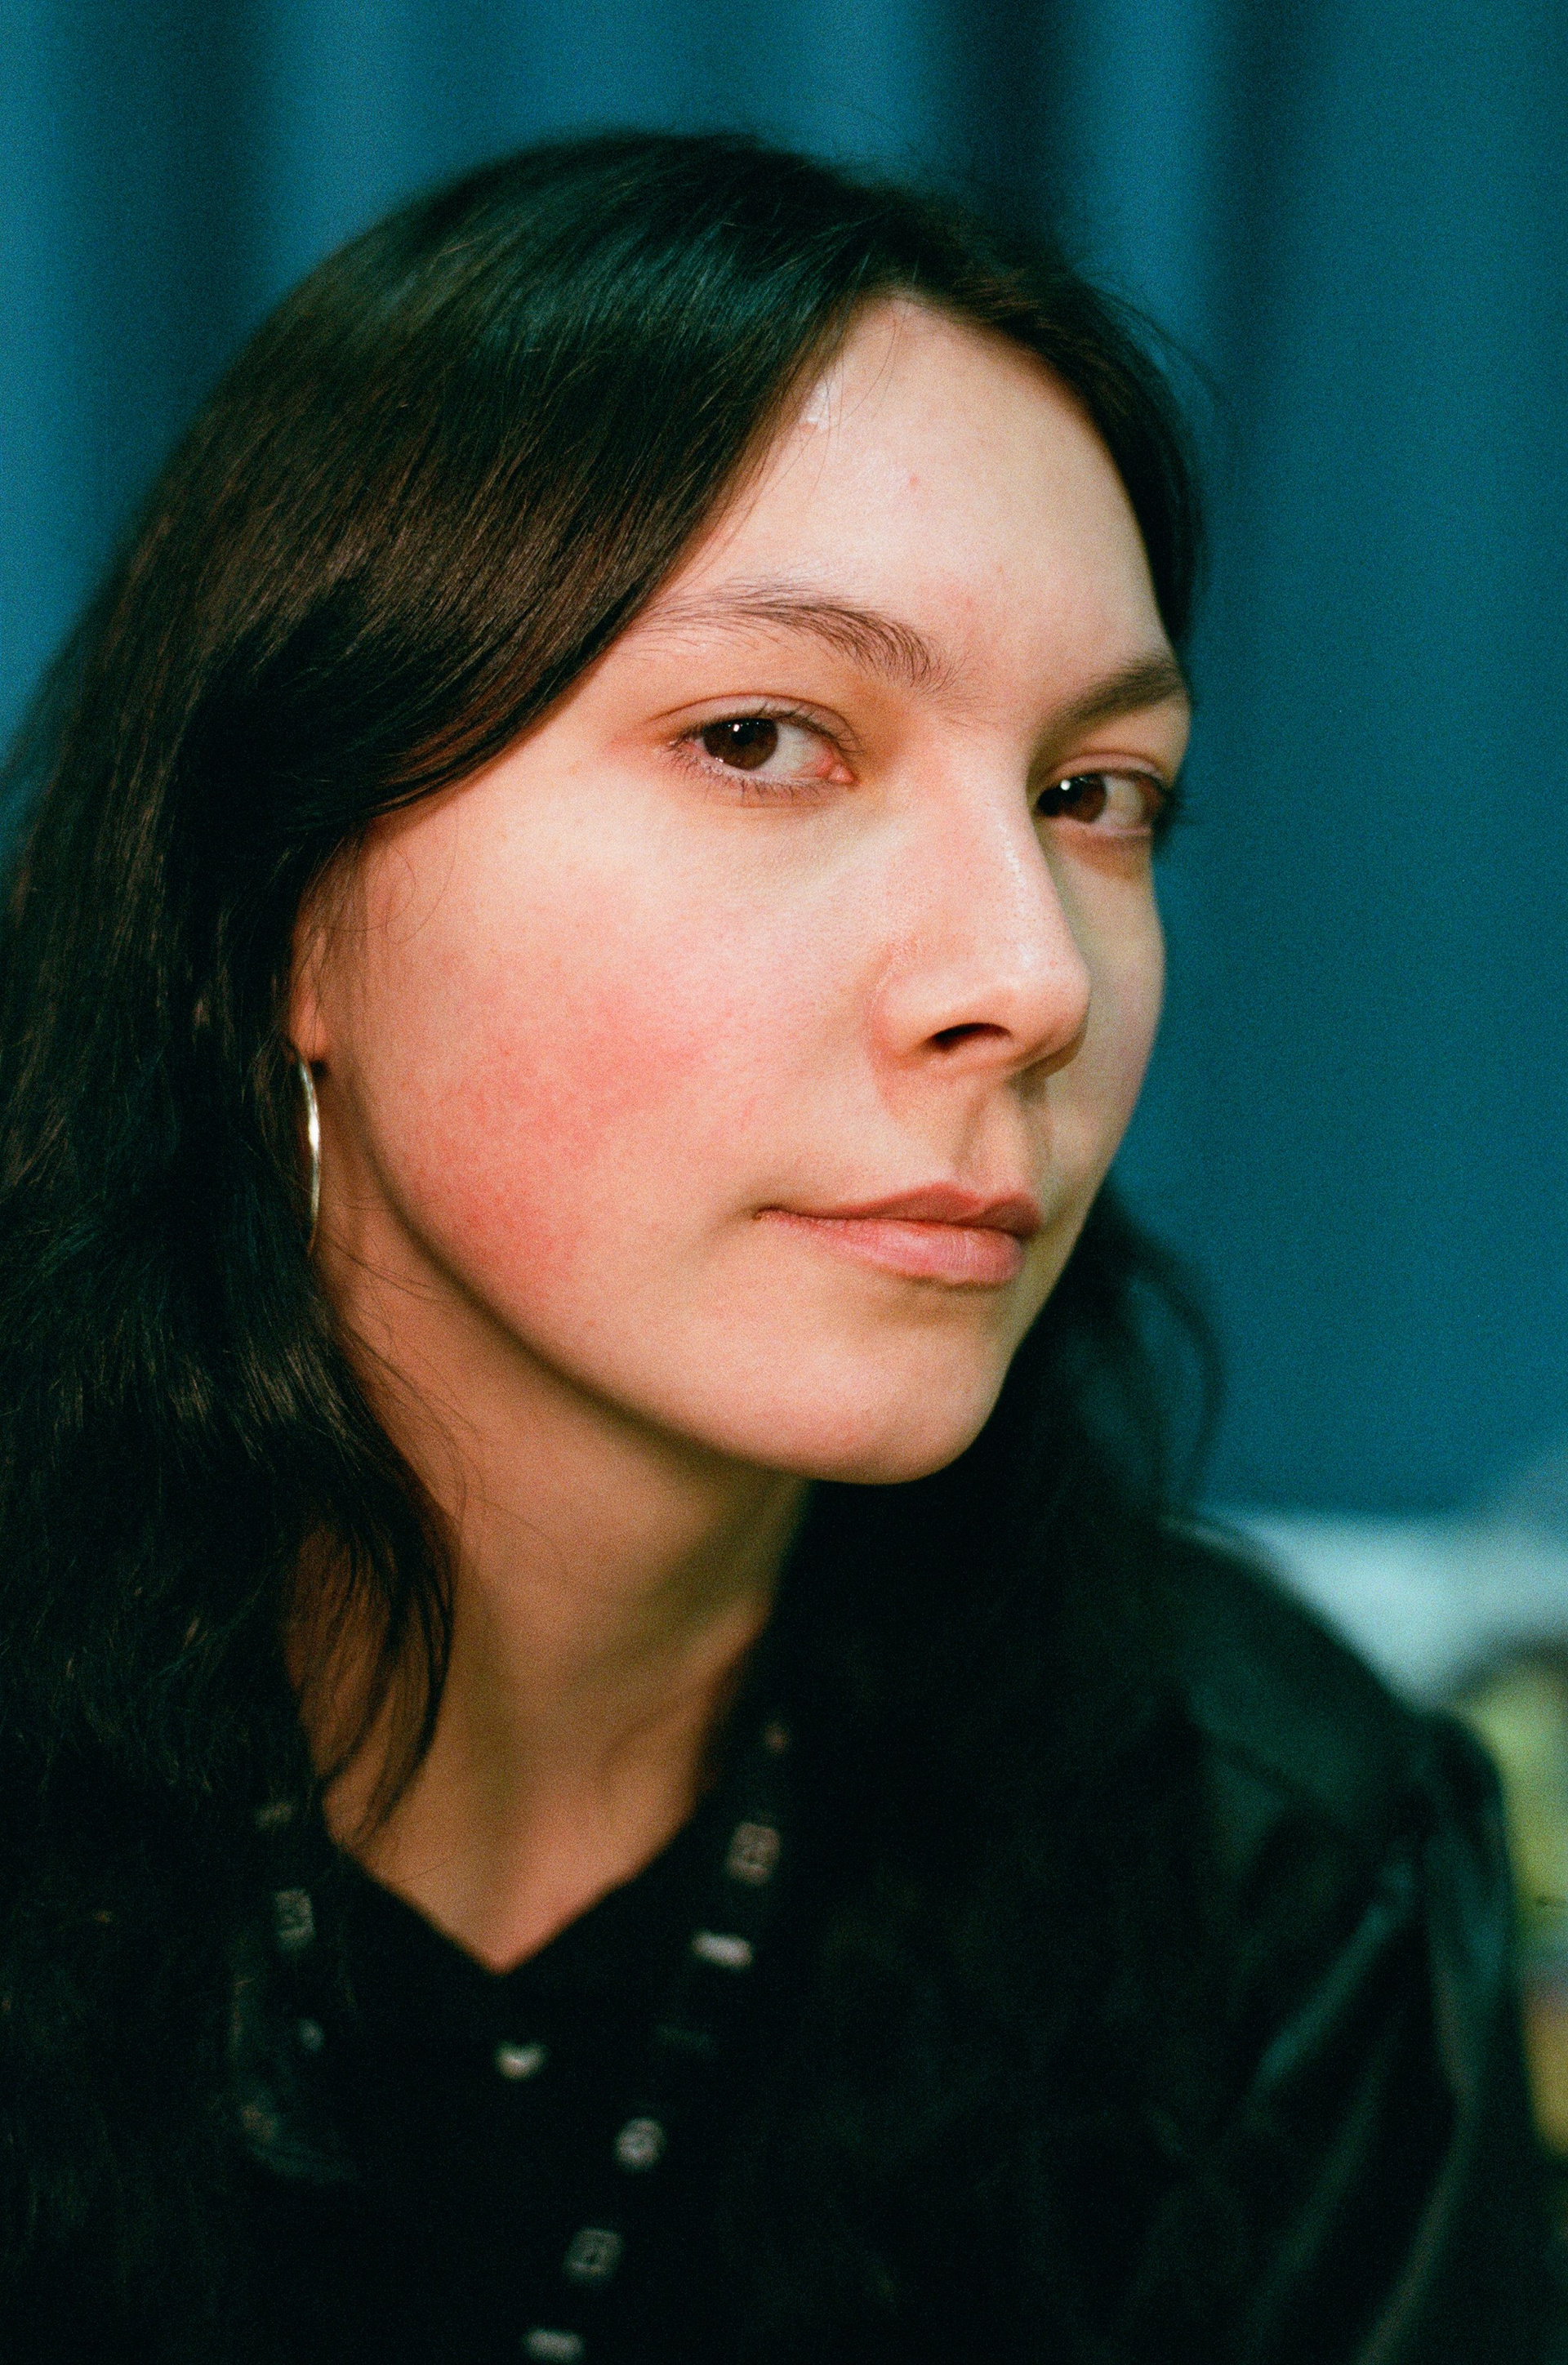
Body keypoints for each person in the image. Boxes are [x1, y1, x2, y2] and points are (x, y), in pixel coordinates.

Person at [0, 130, 1557, 2365]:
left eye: (1095, 797)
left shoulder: (1274, 1874)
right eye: (762, 740)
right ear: (283, 911)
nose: (1030, 976)